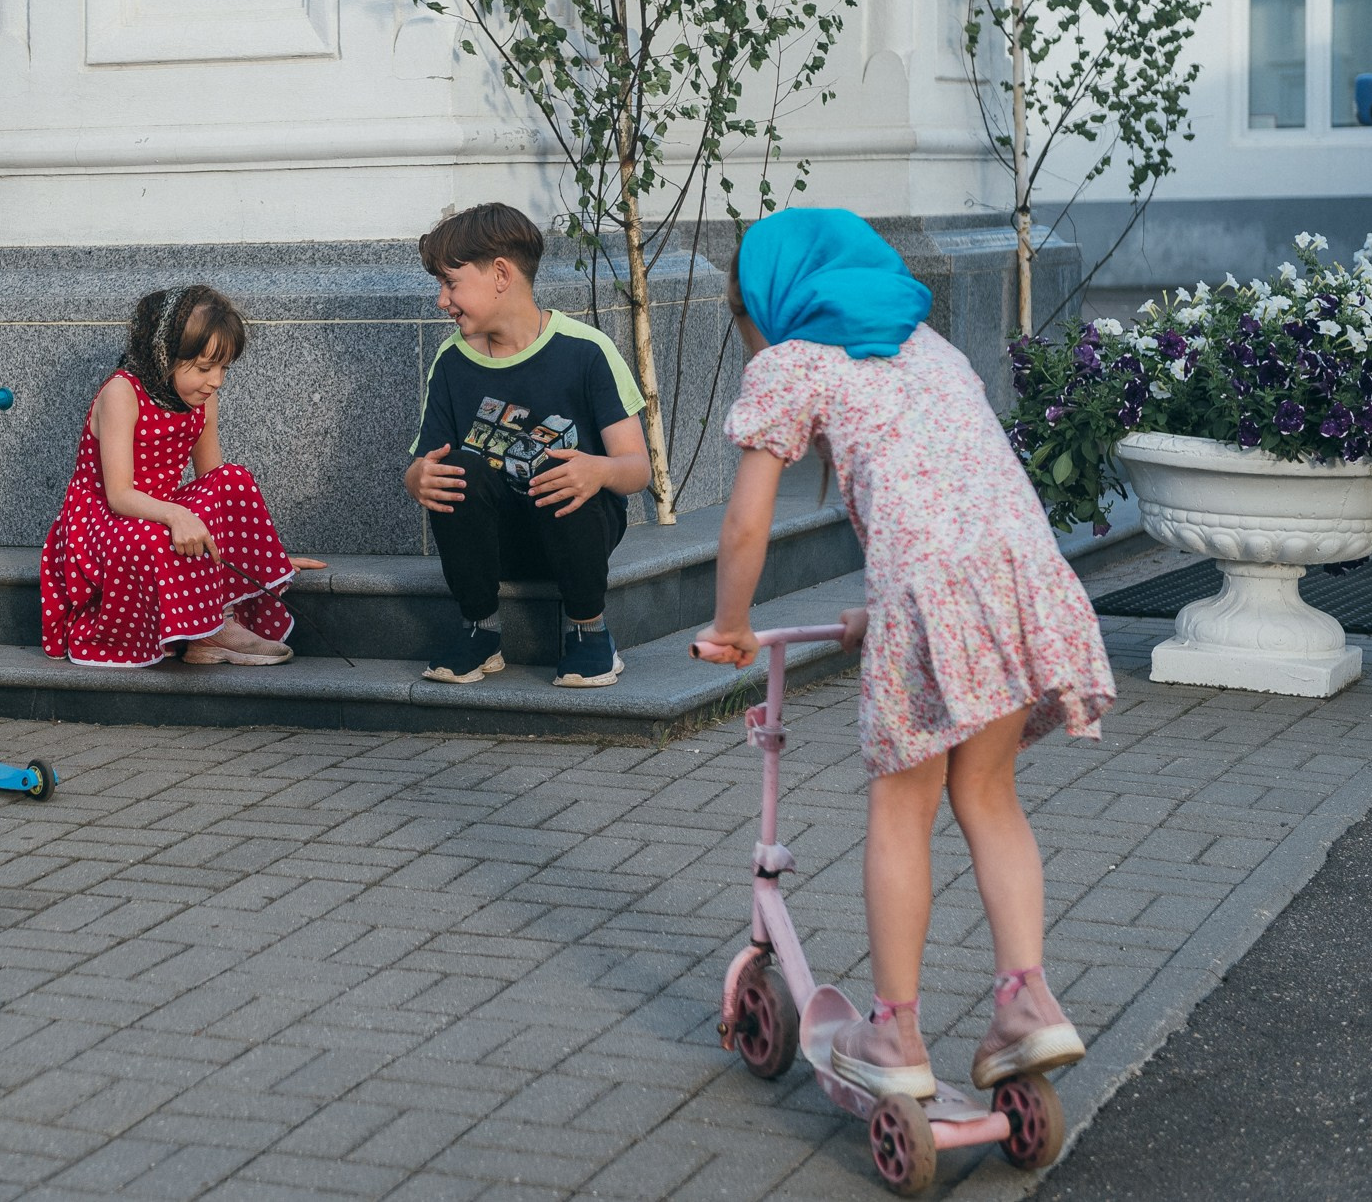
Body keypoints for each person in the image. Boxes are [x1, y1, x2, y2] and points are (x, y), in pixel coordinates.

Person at [696, 207, 1116, 1099]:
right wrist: (875, 616)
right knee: (989, 792)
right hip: (1017, 577)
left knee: (901, 804)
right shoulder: (930, 348)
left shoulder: (792, 363)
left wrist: (731, 623)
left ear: (767, 301)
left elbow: (744, 524)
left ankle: (894, 1032)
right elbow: (945, 503)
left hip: (934, 596)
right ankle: (1027, 1000)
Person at [404, 203, 654, 688]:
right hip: (494, 545)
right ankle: (479, 631)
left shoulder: (585, 350)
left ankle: (589, 631)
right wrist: (417, 479)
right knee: (458, 467)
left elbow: (636, 467)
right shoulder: (451, 361)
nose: (441, 301)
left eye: (451, 284)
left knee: (560, 468)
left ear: (501, 274)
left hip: (576, 534)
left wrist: (598, 471)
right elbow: (426, 463)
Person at [39, 285, 320, 668]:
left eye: (223, 368)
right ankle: (209, 630)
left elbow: (215, 485)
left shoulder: (202, 398)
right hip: (104, 522)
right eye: (204, 368)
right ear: (163, 354)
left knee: (233, 479)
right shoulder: (122, 393)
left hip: (163, 510)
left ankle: (211, 635)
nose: (216, 380)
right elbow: (119, 495)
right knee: (155, 533)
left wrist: (262, 553)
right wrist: (175, 515)